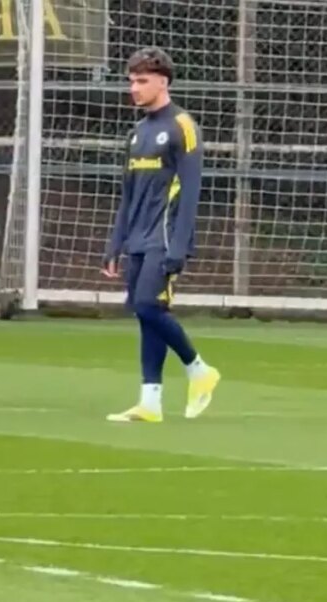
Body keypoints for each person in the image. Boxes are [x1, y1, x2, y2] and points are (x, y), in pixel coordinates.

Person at [102, 47, 221, 422]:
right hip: (137, 237)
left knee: (147, 306)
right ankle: (150, 402)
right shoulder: (136, 133)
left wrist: (180, 245)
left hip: (165, 237)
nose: (134, 88)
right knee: (145, 315)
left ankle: (199, 369)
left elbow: (191, 190)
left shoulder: (183, 126)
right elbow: (127, 194)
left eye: (142, 81)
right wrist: (115, 243)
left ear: (163, 82)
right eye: (131, 81)